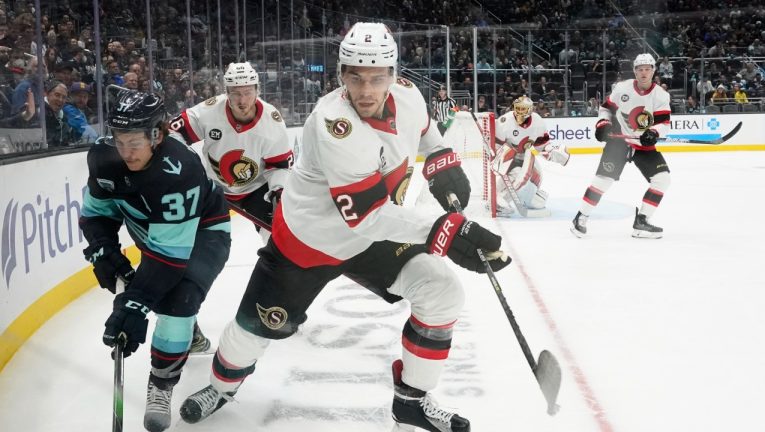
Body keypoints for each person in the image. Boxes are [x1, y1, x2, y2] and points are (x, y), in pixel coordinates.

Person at [179, 22, 510, 432]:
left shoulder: (409, 96)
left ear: (393, 74)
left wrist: (442, 160)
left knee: (442, 292)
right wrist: (448, 229)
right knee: (253, 328)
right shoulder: (334, 122)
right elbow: (366, 215)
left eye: (376, 78)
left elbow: (425, 135)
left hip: (373, 235)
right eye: (355, 77)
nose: (365, 90)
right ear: (341, 76)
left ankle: (412, 401)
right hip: (308, 242)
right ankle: (221, 387)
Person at [79, 90, 232, 432]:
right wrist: (103, 251)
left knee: (178, 300)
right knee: (159, 295)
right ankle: (188, 334)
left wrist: (133, 307)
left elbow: (167, 259)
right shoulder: (103, 156)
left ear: (157, 134)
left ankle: (162, 383)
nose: (126, 152)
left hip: (206, 230)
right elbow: (97, 214)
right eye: (120, 141)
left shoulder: (179, 170)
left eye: (135, 142)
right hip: (152, 227)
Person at [168, 62, 293, 351]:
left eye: (247, 92)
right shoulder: (210, 110)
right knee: (189, 250)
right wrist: (187, 163)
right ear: (226, 93)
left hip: (256, 189)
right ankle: (186, 324)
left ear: (257, 91)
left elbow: (278, 166)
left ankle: (281, 309)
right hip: (212, 189)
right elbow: (172, 134)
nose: (241, 99)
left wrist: (279, 192)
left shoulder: (272, 121)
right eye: (235, 93)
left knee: (282, 246)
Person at [571, 53, 671, 239]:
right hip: (619, 142)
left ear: (653, 71)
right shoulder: (622, 88)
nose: (643, 73)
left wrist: (654, 133)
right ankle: (580, 218)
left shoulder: (661, 95)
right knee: (603, 181)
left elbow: (663, 123)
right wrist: (602, 124)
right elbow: (606, 109)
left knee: (662, 179)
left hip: (642, 145)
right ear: (634, 71)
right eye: (640, 69)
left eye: (647, 69)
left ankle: (642, 221)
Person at [491, 95, 569, 217]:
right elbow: (496, 147)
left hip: (526, 156)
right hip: (509, 158)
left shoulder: (538, 121)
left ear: (530, 110)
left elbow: (542, 144)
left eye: (523, 109)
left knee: (536, 190)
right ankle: (497, 200)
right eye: (518, 108)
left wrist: (552, 152)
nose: (519, 112)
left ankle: (532, 197)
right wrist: (500, 159)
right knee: (517, 175)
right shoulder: (504, 121)